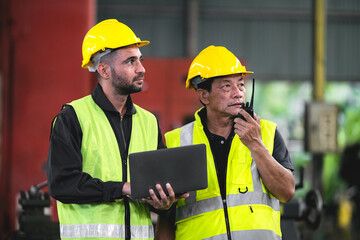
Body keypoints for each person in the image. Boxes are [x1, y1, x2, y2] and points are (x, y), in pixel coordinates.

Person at [46, 19, 184, 240]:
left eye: (140, 60)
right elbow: (62, 184)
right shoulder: (73, 117)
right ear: (104, 70)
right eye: (130, 61)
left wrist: (164, 203)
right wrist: (123, 188)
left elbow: (156, 187)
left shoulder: (148, 121)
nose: (141, 69)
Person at [158, 45, 295, 240]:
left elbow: (287, 192)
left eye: (240, 84)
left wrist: (256, 144)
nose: (237, 93)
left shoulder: (267, 133)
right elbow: (166, 216)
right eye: (226, 86)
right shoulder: (176, 142)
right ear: (204, 95)